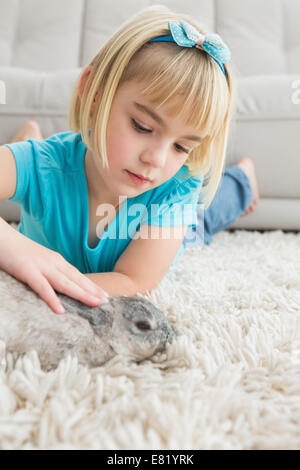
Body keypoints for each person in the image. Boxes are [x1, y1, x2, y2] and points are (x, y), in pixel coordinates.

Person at [0, 6, 259, 316]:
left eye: (182, 147)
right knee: (27, 156)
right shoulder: (42, 164)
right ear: (93, 93)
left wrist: (39, 289)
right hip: (41, 156)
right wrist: (15, 246)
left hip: (171, 225)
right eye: (142, 127)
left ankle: (243, 178)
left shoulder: (176, 186)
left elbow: (133, 280)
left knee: (203, 220)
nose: (156, 160)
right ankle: (26, 138)